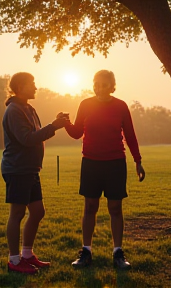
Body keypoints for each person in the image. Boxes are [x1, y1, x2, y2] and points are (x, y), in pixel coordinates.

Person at [62, 70, 145, 270]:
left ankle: (118, 253)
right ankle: (86, 252)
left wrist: (138, 161)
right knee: (90, 207)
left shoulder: (121, 106)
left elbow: (131, 135)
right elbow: (76, 133)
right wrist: (65, 123)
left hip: (115, 163)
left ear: (112, 86)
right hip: (90, 162)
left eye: (104, 84)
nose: (99, 87)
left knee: (115, 208)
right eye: (96, 83)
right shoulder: (85, 104)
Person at [1, 72, 68, 274]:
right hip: (18, 168)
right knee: (18, 213)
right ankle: (14, 260)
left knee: (38, 211)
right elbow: (27, 139)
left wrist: (53, 124)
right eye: (32, 84)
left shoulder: (28, 108)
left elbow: (36, 134)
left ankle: (27, 255)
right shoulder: (14, 110)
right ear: (20, 87)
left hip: (30, 169)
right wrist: (53, 126)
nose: (36, 87)